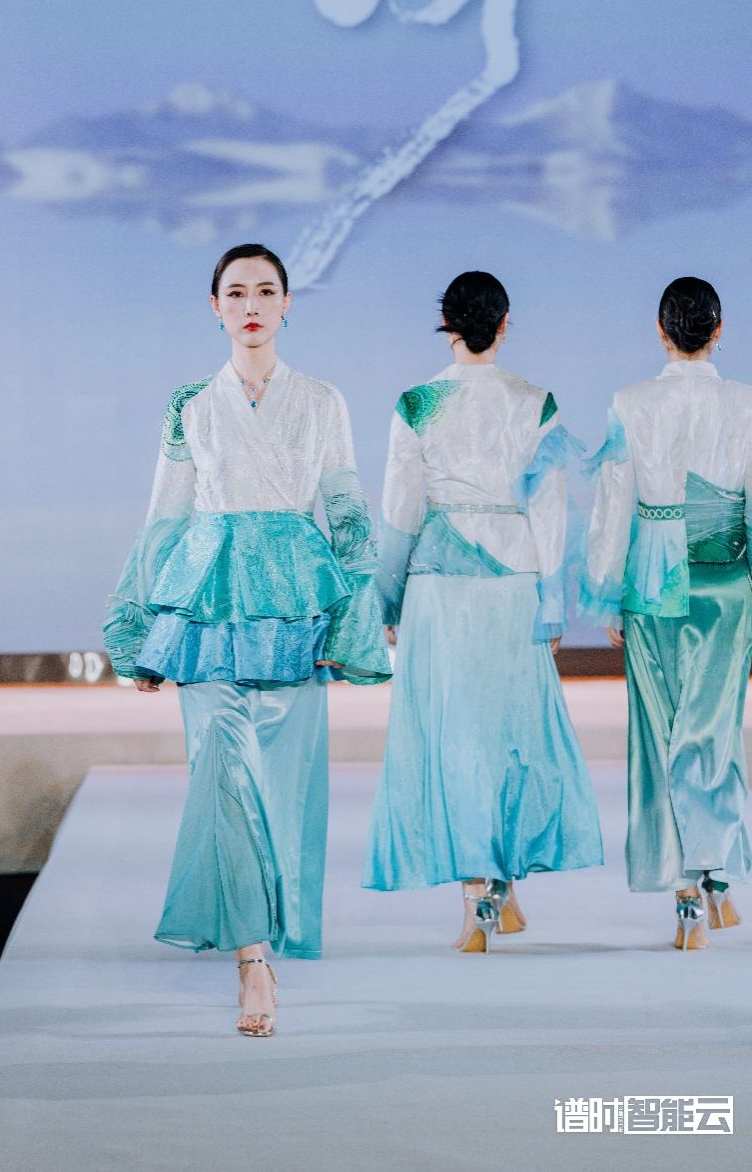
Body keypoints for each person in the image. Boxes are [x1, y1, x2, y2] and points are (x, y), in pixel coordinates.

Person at [104, 243, 390, 1034]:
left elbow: (347, 507)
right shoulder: (191, 404)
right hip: (207, 607)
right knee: (221, 772)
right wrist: (142, 631)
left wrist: (355, 615)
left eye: (266, 290)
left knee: (286, 786)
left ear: (288, 303)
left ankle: (265, 933)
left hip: (295, 606)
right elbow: (165, 514)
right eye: (236, 292)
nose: (252, 304)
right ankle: (251, 958)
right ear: (215, 306)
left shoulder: (322, 399)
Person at [363, 271, 603, 951]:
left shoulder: (417, 403)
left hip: (439, 585)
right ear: (503, 325)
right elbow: (550, 509)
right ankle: (503, 885)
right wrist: (551, 604)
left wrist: (387, 598)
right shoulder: (534, 402)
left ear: (447, 324)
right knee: (510, 734)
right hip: (514, 580)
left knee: (456, 737)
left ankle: (478, 899)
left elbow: (401, 510)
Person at [583, 276, 751, 950]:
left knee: (659, 733)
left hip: (654, 577)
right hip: (726, 583)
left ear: (661, 332)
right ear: (718, 330)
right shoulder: (746, 404)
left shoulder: (630, 403)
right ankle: (716, 874)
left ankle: (685, 893)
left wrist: (604, 588)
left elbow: (613, 501)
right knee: (715, 728)